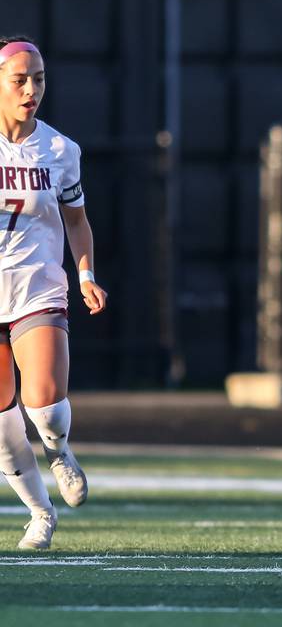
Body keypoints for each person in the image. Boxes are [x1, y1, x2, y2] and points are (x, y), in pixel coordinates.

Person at [0, 37, 107, 549]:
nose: (31, 89)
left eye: (38, 78)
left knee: (43, 398)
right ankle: (40, 515)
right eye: (19, 79)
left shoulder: (60, 150)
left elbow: (78, 221)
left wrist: (85, 274)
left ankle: (60, 450)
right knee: (2, 422)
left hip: (37, 286)